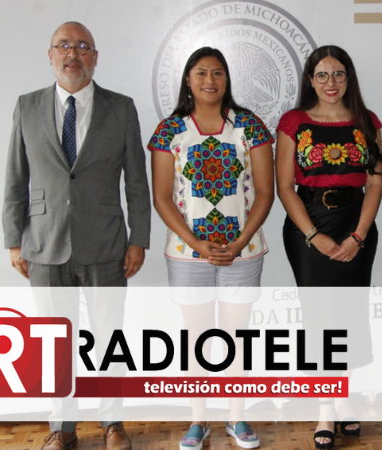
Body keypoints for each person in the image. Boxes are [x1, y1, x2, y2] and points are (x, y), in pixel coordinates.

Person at [2, 21, 150, 450]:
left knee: (109, 340)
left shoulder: (121, 108)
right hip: (44, 243)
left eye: (82, 46)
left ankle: (112, 423)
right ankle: (62, 428)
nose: (73, 53)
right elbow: (16, 178)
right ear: (50, 55)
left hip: (106, 243)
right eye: (64, 45)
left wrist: (138, 238)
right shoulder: (27, 106)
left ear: (95, 57)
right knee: (54, 342)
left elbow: (136, 182)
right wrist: (14, 239)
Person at [148, 47, 274, 450]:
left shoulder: (249, 126)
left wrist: (238, 242)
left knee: (237, 337)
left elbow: (266, 193)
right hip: (188, 254)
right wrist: (197, 244)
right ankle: (198, 420)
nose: (209, 80)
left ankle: (236, 417)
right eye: (201, 73)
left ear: (227, 79)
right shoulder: (170, 131)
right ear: (188, 79)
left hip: (243, 250)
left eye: (217, 73)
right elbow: (162, 198)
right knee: (195, 340)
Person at [275, 45, 382, 449]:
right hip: (309, 227)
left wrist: (358, 236)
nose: (330, 82)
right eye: (322, 75)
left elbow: (375, 183)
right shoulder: (293, 122)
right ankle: (326, 408)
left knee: (349, 317)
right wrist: (312, 235)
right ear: (310, 80)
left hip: (357, 226)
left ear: (349, 78)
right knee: (321, 320)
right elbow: (285, 187)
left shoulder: (367, 121)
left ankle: (343, 398)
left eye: (338, 74)